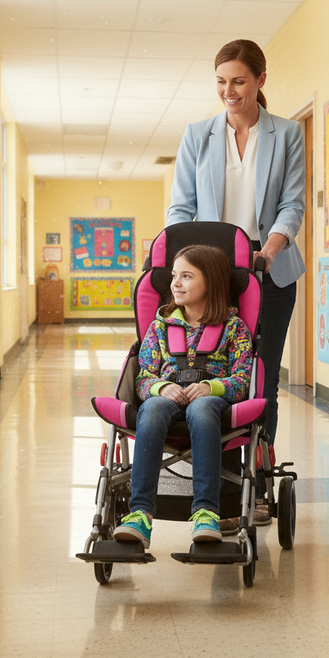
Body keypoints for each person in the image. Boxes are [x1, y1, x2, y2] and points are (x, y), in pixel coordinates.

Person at [166, 39, 306, 525]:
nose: (229, 91)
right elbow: (180, 207)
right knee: (213, 372)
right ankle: (223, 492)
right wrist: (180, 260)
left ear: (260, 81)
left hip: (268, 274)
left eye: (239, 81)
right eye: (222, 82)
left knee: (260, 377)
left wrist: (268, 250)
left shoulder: (286, 134)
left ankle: (257, 482)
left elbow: (292, 204)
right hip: (214, 278)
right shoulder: (197, 135)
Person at [113, 244, 253, 547]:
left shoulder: (234, 328)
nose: (175, 283)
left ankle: (206, 512)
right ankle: (139, 514)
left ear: (211, 282)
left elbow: (243, 379)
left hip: (212, 398)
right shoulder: (160, 327)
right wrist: (161, 388)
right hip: (166, 394)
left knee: (202, 410)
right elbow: (144, 376)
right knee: (150, 410)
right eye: (175, 275)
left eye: (187, 276)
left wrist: (212, 387)